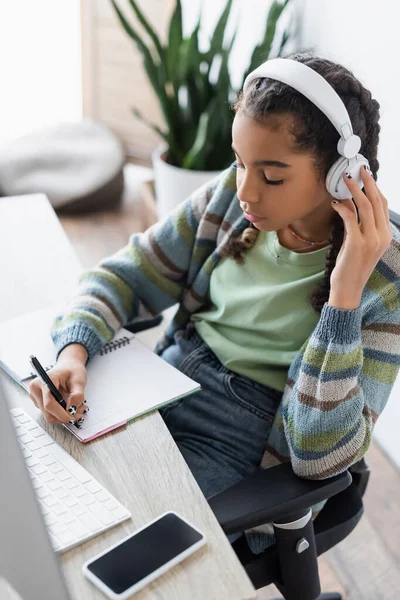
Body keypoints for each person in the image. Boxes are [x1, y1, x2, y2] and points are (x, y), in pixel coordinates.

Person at [29, 52, 400, 555]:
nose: (245, 191)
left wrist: (345, 292)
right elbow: (126, 274)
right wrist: (73, 352)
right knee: (48, 499)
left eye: (272, 176)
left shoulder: (387, 272)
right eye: (240, 161)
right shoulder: (234, 193)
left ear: (340, 174)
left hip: (246, 435)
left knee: (119, 549)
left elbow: (318, 455)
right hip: (165, 379)